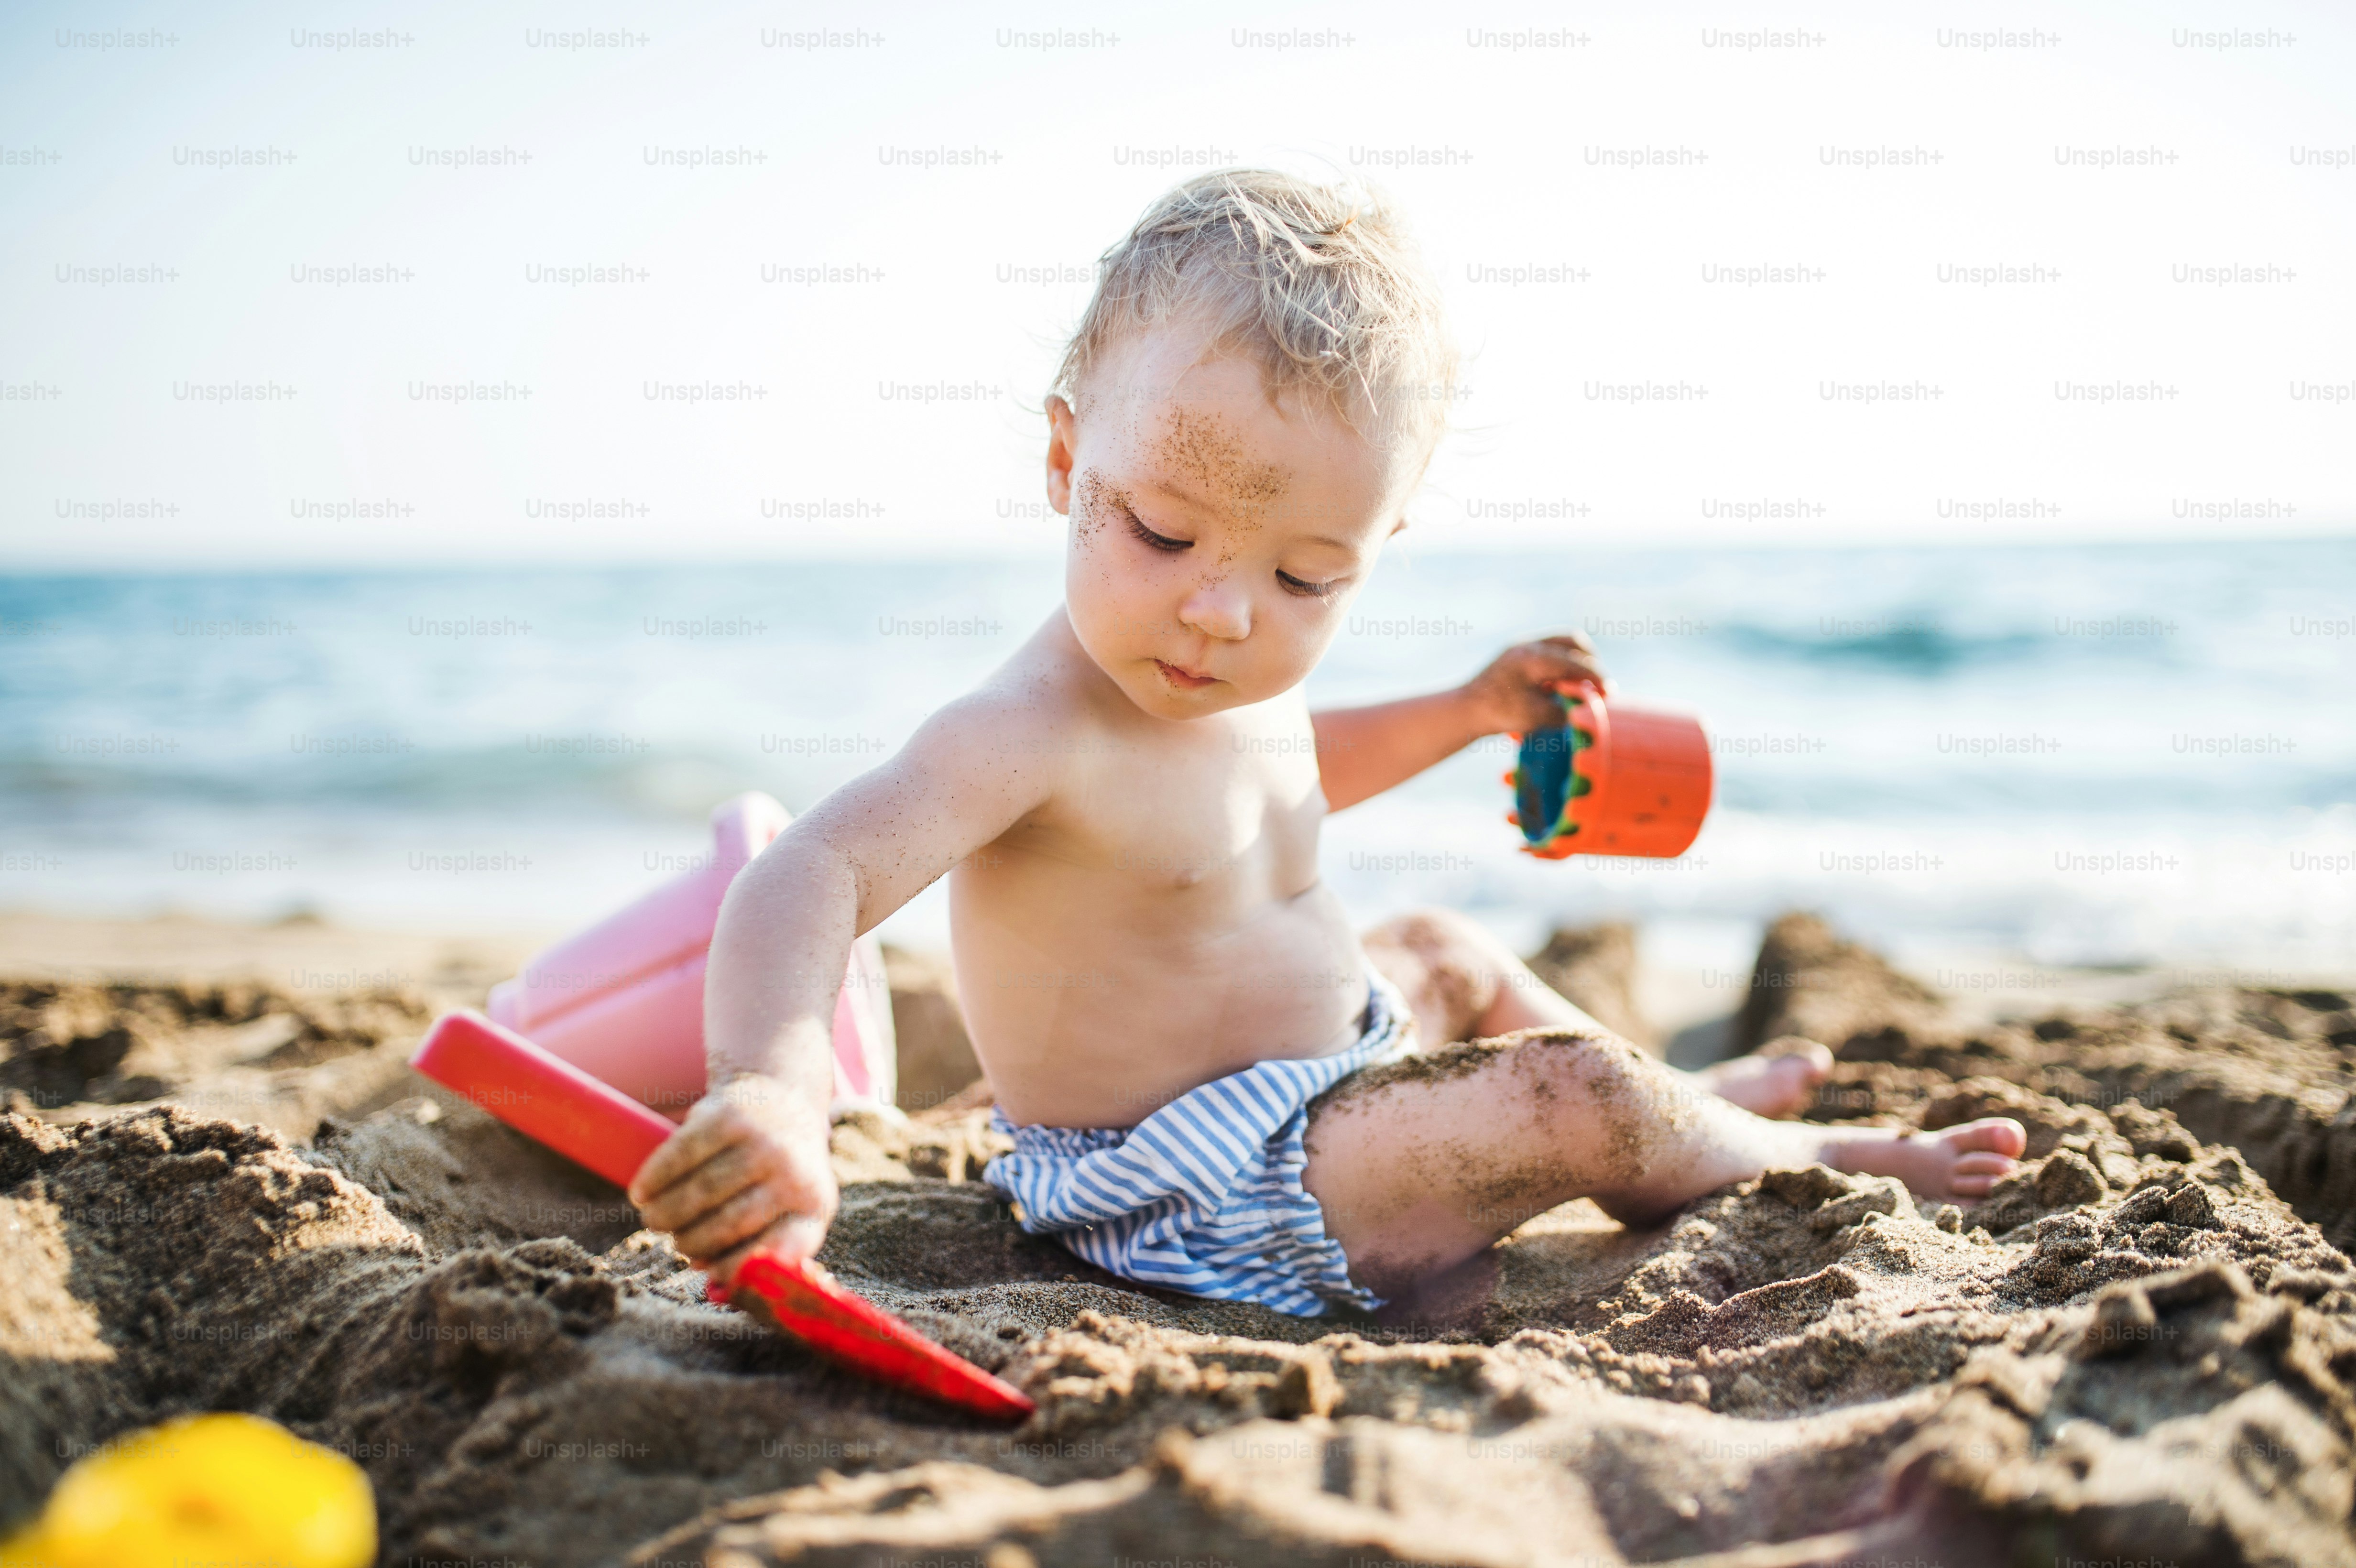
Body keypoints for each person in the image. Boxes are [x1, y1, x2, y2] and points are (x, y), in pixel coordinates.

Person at [629, 170, 2025, 1318]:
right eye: (1162, 533)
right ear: (1067, 465)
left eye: (1308, 580)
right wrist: (774, 1093)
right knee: (1571, 1090)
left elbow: (1283, 788)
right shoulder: (1027, 731)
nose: (1224, 610)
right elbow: (809, 873)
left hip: (1334, 1077)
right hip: (1212, 1188)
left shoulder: (1219, 667)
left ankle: (1685, 1113)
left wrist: (1472, 714)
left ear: (1377, 547)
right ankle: (1790, 1148)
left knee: (1446, 951)